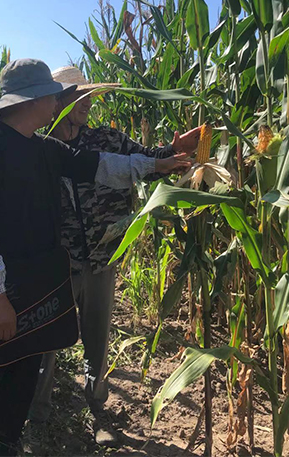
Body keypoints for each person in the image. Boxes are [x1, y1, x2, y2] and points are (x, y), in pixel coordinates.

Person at [0, 59, 190, 457]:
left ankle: (1, 446)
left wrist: (158, 163)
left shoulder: (44, 148)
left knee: (17, 392)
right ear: (35, 100)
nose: (58, 102)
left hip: (32, 296)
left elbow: (102, 166)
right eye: (54, 96)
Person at [28, 66, 200, 446]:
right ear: (59, 101)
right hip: (58, 262)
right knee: (46, 341)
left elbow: (148, 160)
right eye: (81, 96)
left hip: (102, 258)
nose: (89, 103)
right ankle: (36, 414)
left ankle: (98, 411)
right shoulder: (40, 149)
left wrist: (175, 150)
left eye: (91, 96)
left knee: (97, 340)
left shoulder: (107, 138)